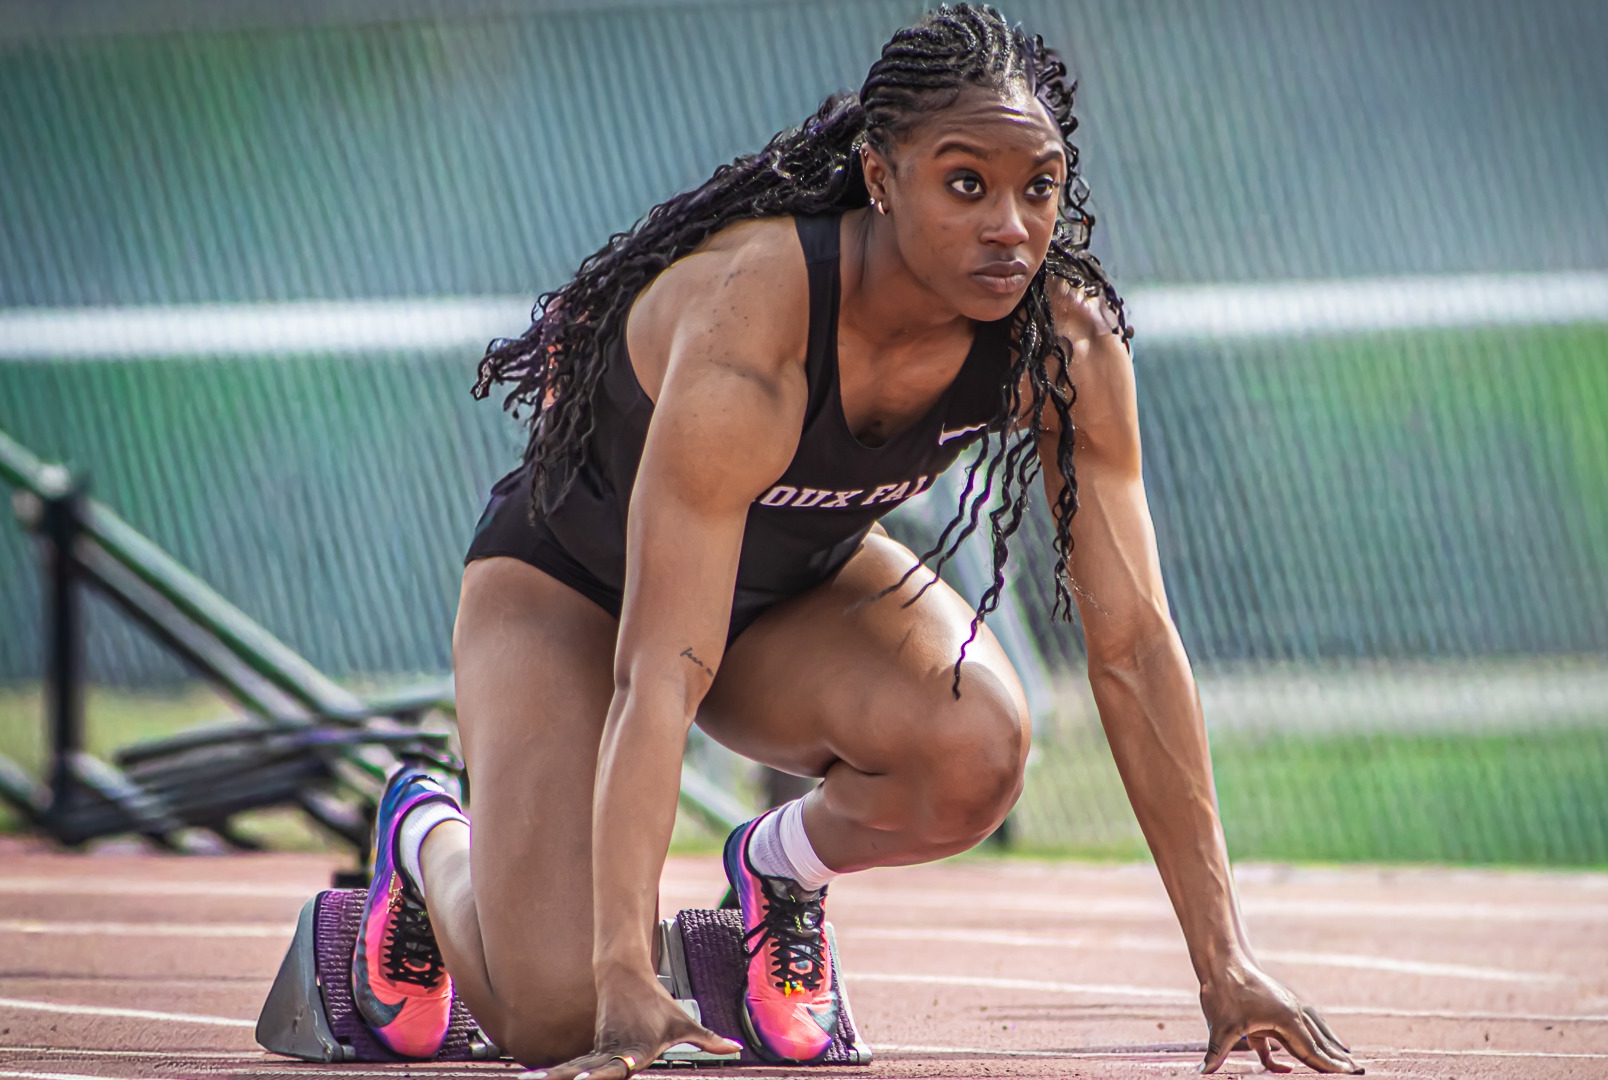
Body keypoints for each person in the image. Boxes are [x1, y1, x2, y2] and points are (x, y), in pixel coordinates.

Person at [348, 5, 1364, 1077]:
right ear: (881, 178)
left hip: (787, 591)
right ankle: (427, 836)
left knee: (978, 748)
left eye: (1039, 186)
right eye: (965, 184)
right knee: (552, 1016)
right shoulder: (755, 325)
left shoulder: (1064, 347)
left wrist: (1227, 962)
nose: (1011, 227)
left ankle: (777, 874)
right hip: (571, 593)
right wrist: (622, 977)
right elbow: (656, 678)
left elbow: (1136, 648)